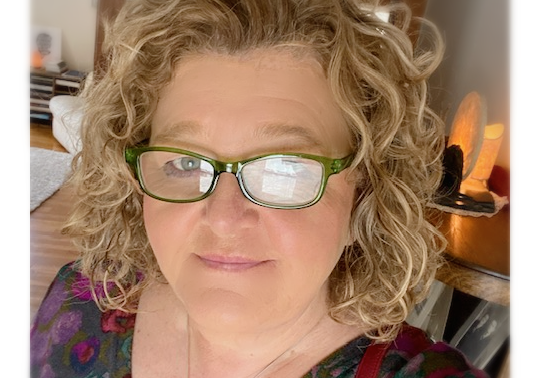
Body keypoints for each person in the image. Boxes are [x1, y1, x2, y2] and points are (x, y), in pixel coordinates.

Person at [30, 0, 488, 377]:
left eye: (285, 167)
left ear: (366, 194)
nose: (224, 218)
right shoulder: (78, 304)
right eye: (186, 161)